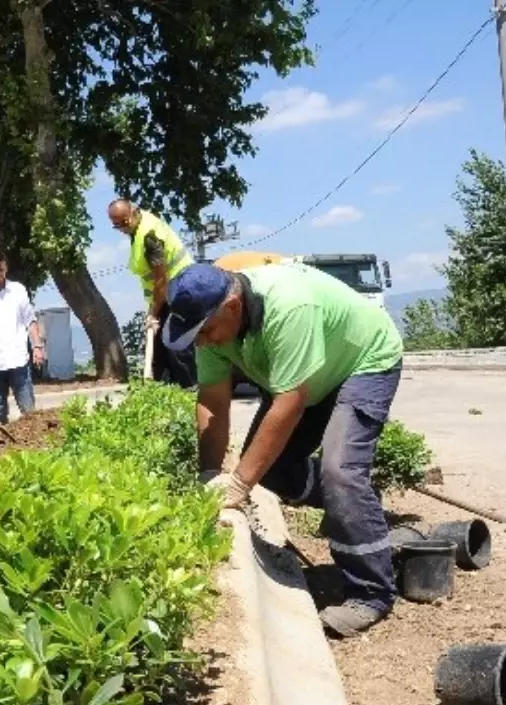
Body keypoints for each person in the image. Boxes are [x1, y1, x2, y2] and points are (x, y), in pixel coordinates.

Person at [161, 259, 404, 638]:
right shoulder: (211, 326)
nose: (203, 342)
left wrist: (239, 485)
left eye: (206, 331)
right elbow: (212, 401)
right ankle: (357, 506)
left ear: (233, 307)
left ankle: (371, 593)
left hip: (363, 361)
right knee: (271, 469)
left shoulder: (288, 308)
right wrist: (209, 475)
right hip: (311, 378)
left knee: (339, 472)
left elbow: (290, 403)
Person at [107, 198, 196, 387]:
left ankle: (191, 393)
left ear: (133, 212)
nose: (122, 229)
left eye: (123, 222)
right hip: (166, 296)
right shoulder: (138, 229)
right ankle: (163, 393)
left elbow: (161, 279)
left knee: (177, 350)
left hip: (179, 293)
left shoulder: (149, 236)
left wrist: (153, 314)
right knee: (159, 354)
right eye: (117, 226)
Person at [0, 249, 45, 424]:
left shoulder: (18, 291)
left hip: (18, 359)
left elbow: (30, 321)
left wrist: (37, 347)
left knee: (29, 411)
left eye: (2, 270)